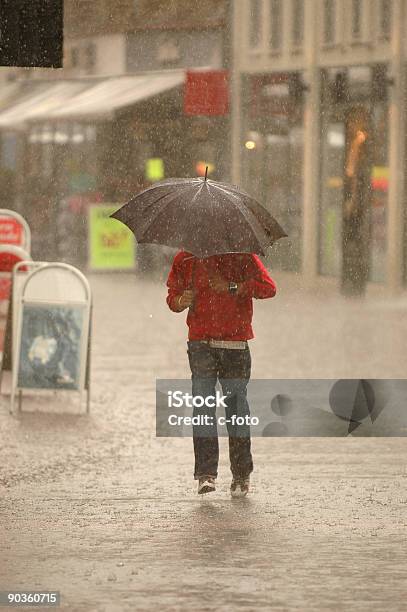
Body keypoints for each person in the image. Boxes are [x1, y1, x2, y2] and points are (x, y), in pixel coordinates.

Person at [166, 251, 276, 497]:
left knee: (236, 410)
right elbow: (172, 298)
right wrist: (182, 301)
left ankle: (240, 475)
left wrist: (232, 287)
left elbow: (268, 288)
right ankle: (206, 474)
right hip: (200, 344)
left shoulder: (242, 256)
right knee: (203, 407)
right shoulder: (185, 259)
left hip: (235, 345)